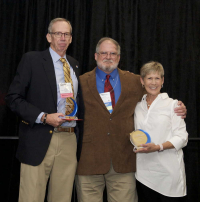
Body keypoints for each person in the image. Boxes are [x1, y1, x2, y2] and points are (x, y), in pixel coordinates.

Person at [75, 37, 186, 202]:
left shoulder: (134, 81)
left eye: (113, 53)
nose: (108, 56)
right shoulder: (80, 82)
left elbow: (154, 96)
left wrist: (179, 107)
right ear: (95, 56)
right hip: (89, 161)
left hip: (124, 161)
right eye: (104, 53)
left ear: (119, 57)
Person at [5, 18, 83, 202]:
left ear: (71, 39)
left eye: (67, 34)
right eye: (58, 33)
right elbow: (13, 98)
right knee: (31, 197)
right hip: (39, 138)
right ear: (49, 37)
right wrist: (43, 117)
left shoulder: (74, 65)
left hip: (69, 139)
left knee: (62, 197)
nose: (62, 38)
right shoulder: (32, 60)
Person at [134, 61, 188, 202]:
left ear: (162, 81)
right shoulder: (137, 106)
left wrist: (159, 147)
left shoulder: (173, 105)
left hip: (168, 175)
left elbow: (182, 137)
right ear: (142, 80)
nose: (153, 82)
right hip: (144, 175)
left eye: (157, 78)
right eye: (149, 78)